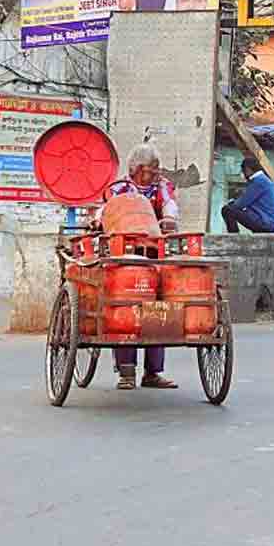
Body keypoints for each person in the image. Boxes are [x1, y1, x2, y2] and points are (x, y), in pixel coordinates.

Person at [106, 143, 179, 390]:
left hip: (154, 252)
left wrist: (169, 218)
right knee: (126, 309)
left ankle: (152, 372)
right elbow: (105, 212)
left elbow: (169, 205)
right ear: (137, 169)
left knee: (158, 307)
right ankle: (126, 373)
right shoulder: (120, 188)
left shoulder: (162, 187)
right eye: (151, 170)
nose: (156, 174)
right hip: (124, 254)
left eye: (158, 170)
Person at [221, 157, 274, 234]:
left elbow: (240, 204)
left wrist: (231, 203)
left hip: (268, 224)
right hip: (271, 224)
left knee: (227, 210)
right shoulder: (265, 181)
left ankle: (234, 237)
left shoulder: (259, 182)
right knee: (233, 208)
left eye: (243, 171)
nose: (243, 174)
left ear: (247, 169)